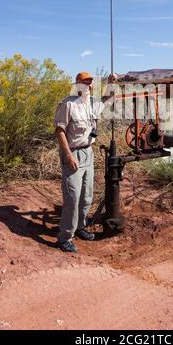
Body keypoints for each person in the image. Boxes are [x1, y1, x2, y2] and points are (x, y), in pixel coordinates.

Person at [53, 71, 115, 252]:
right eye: (83, 82)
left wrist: (111, 83)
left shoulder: (93, 103)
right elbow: (60, 131)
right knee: (72, 197)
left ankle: (80, 227)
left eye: (89, 83)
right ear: (77, 84)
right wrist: (68, 155)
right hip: (73, 154)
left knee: (86, 196)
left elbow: (107, 99)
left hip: (88, 152)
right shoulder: (68, 104)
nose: (87, 85)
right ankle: (64, 237)